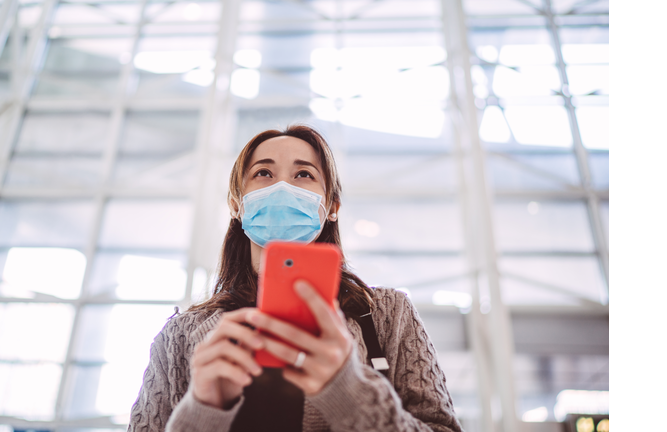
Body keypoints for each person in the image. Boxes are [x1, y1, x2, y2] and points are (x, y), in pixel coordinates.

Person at [127, 125, 463, 432]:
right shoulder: (178, 336)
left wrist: (348, 391)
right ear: (236, 205)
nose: (282, 187)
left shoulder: (388, 313)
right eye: (263, 173)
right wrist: (203, 410)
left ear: (331, 206)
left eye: (303, 174)